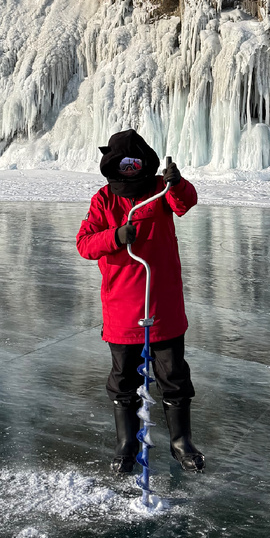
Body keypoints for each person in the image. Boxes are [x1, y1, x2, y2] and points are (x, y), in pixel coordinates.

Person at [76, 129, 205, 475]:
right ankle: (127, 444)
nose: (131, 169)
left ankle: (181, 443)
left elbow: (185, 203)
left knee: (174, 377)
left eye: (136, 163)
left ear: (145, 163)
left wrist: (176, 183)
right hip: (121, 308)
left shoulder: (160, 193)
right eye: (124, 164)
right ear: (113, 166)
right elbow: (85, 244)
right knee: (123, 381)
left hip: (162, 306)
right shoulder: (103, 200)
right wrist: (115, 236)